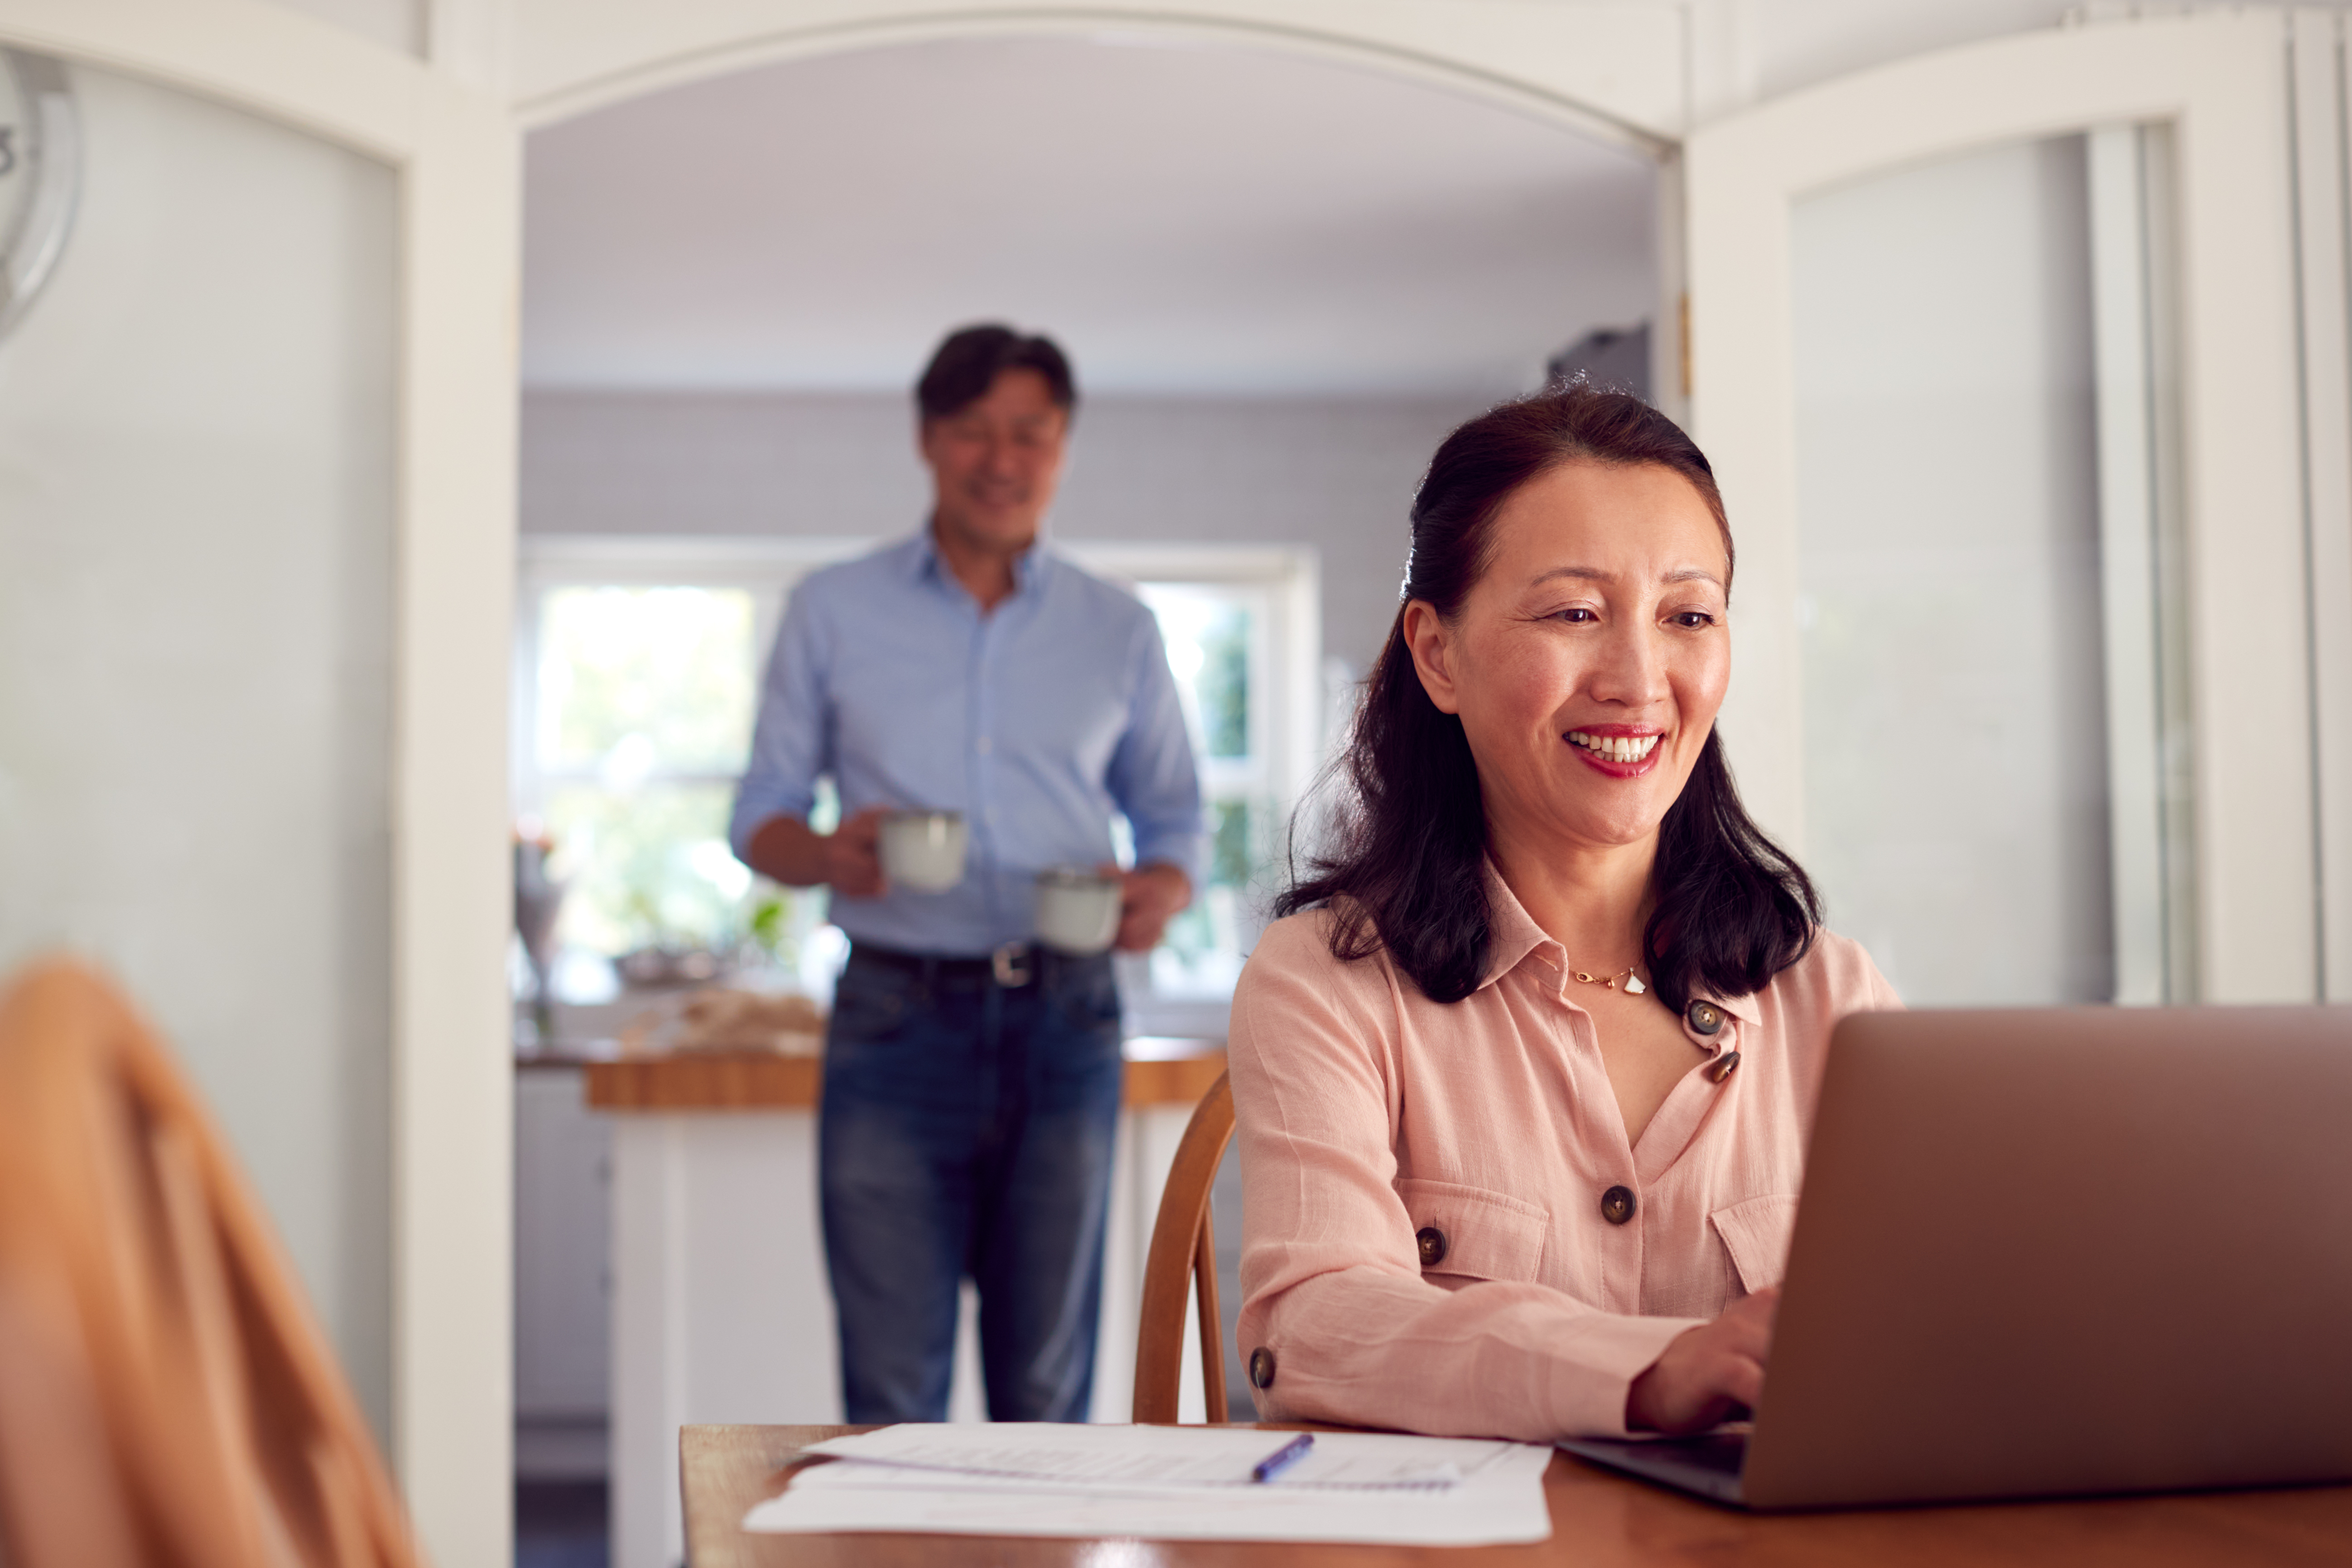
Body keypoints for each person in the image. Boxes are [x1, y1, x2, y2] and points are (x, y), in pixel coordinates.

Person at [1228, 385, 1899, 1442]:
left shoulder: (1837, 1002)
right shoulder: (1325, 980)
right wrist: (1649, 1370)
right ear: (1438, 653)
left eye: (1688, 616)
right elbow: (1314, 1326)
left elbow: (1930, 1339)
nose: (1638, 681)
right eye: (1575, 614)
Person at [730, 324, 1203, 1423]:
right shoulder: (832, 610)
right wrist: (828, 853)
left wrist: (1158, 891)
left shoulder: (1118, 628)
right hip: (894, 1020)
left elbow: (1175, 819)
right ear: (927, 440)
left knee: (1046, 1392)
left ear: (1062, 447)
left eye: (1029, 433)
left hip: (1068, 1020)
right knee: (890, 1395)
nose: (1002, 459)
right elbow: (759, 817)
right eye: (974, 431)